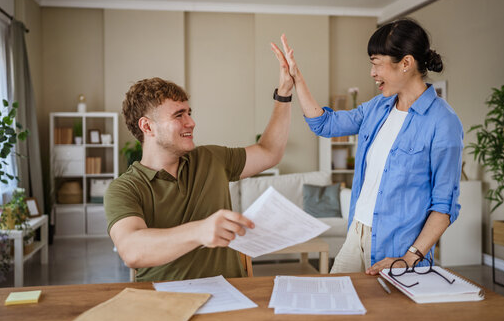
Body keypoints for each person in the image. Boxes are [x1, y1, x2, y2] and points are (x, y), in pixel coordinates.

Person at [272, 19, 463, 275]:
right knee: (335, 306)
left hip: (398, 251)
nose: (372, 73)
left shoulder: (443, 122)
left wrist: (410, 257)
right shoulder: (378, 107)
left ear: (405, 63)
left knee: (386, 315)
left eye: (376, 63)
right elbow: (324, 124)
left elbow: (444, 205)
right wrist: (297, 78)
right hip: (356, 235)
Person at [105, 44, 294, 281]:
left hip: (233, 294)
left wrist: (284, 93)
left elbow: (269, 152)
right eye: (178, 115)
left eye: (189, 112)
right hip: (166, 304)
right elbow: (131, 249)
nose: (191, 122)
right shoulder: (125, 188)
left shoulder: (211, 158)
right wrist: (200, 231)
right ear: (147, 126)